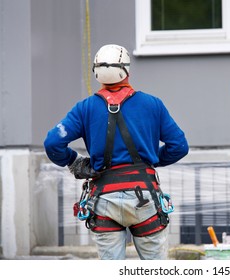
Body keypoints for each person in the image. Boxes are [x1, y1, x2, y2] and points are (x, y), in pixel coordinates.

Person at [44, 44, 189, 260]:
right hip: (144, 197)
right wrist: (151, 160)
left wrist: (75, 162)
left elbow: (53, 142)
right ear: (127, 70)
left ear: (96, 73)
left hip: (104, 199)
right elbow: (179, 146)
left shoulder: (85, 108)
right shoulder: (152, 105)